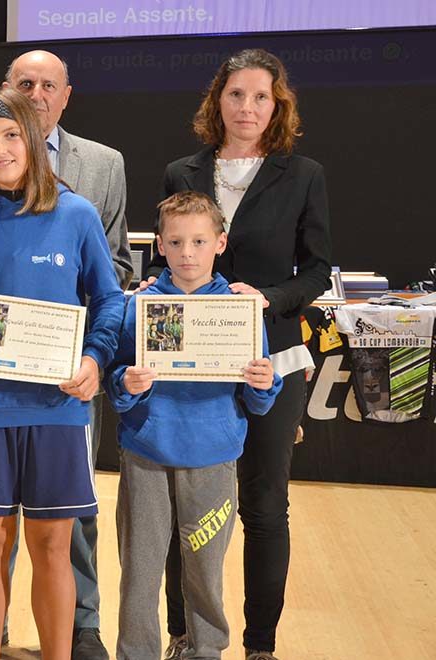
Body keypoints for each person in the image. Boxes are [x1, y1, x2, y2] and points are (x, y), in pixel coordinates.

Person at [0, 49, 131, 660]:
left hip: (57, 407)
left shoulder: (75, 213)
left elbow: (109, 299)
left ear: (32, 138)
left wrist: (95, 360)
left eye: (10, 136)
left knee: (53, 546)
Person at [148, 48, 332, 660]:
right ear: (217, 100)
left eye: (260, 97)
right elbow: (164, 256)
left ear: (278, 105)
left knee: (263, 505)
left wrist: (268, 298)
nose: (247, 107)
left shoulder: (303, 174)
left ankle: (260, 645)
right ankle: (185, 636)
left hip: (268, 357)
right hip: (188, 363)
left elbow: (319, 271)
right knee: (183, 505)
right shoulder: (181, 171)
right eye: (235, 94)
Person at [105, 191, 282, 660]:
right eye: (177, 242)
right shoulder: (139, 307)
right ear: (159, 245)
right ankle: (136, 653)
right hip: (146, 454)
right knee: (139, 571)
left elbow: (259, 397)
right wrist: (127, 383)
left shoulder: (241, 310)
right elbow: (115, 380)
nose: (188, 253)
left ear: (220, 244)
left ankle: (207, 651)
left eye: (199, 242)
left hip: (212, 456)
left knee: (205, 571)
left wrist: (265, 383)